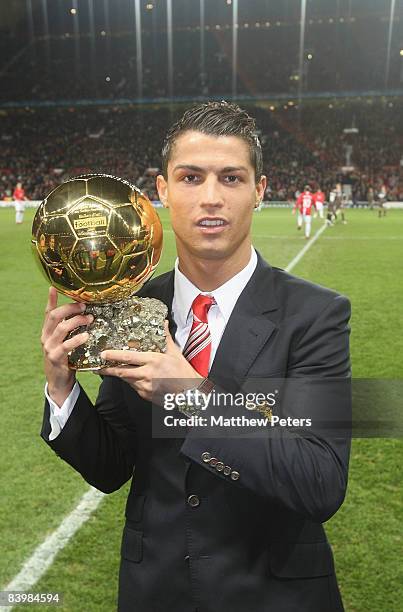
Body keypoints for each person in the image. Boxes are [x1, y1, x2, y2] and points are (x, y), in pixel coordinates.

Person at [40, 101, 351, 612]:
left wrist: (190, 393)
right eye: (190, 177)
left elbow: (320, 481)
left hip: (274, 594)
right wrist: (61, 387)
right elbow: (112, 466)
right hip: (157, 591)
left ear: (259, 190)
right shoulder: (135, 309)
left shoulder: (315, 316)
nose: (211, 198)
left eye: (231, 178)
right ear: (161, 191)